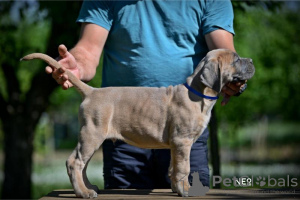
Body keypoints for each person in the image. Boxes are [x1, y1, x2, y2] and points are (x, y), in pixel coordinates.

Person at [46, 0, 244, 189]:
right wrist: (77, 66)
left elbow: (224, 54)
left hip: (188, 124)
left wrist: (235, 78)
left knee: (190, 193)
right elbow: (88, 50)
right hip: (124, 124)